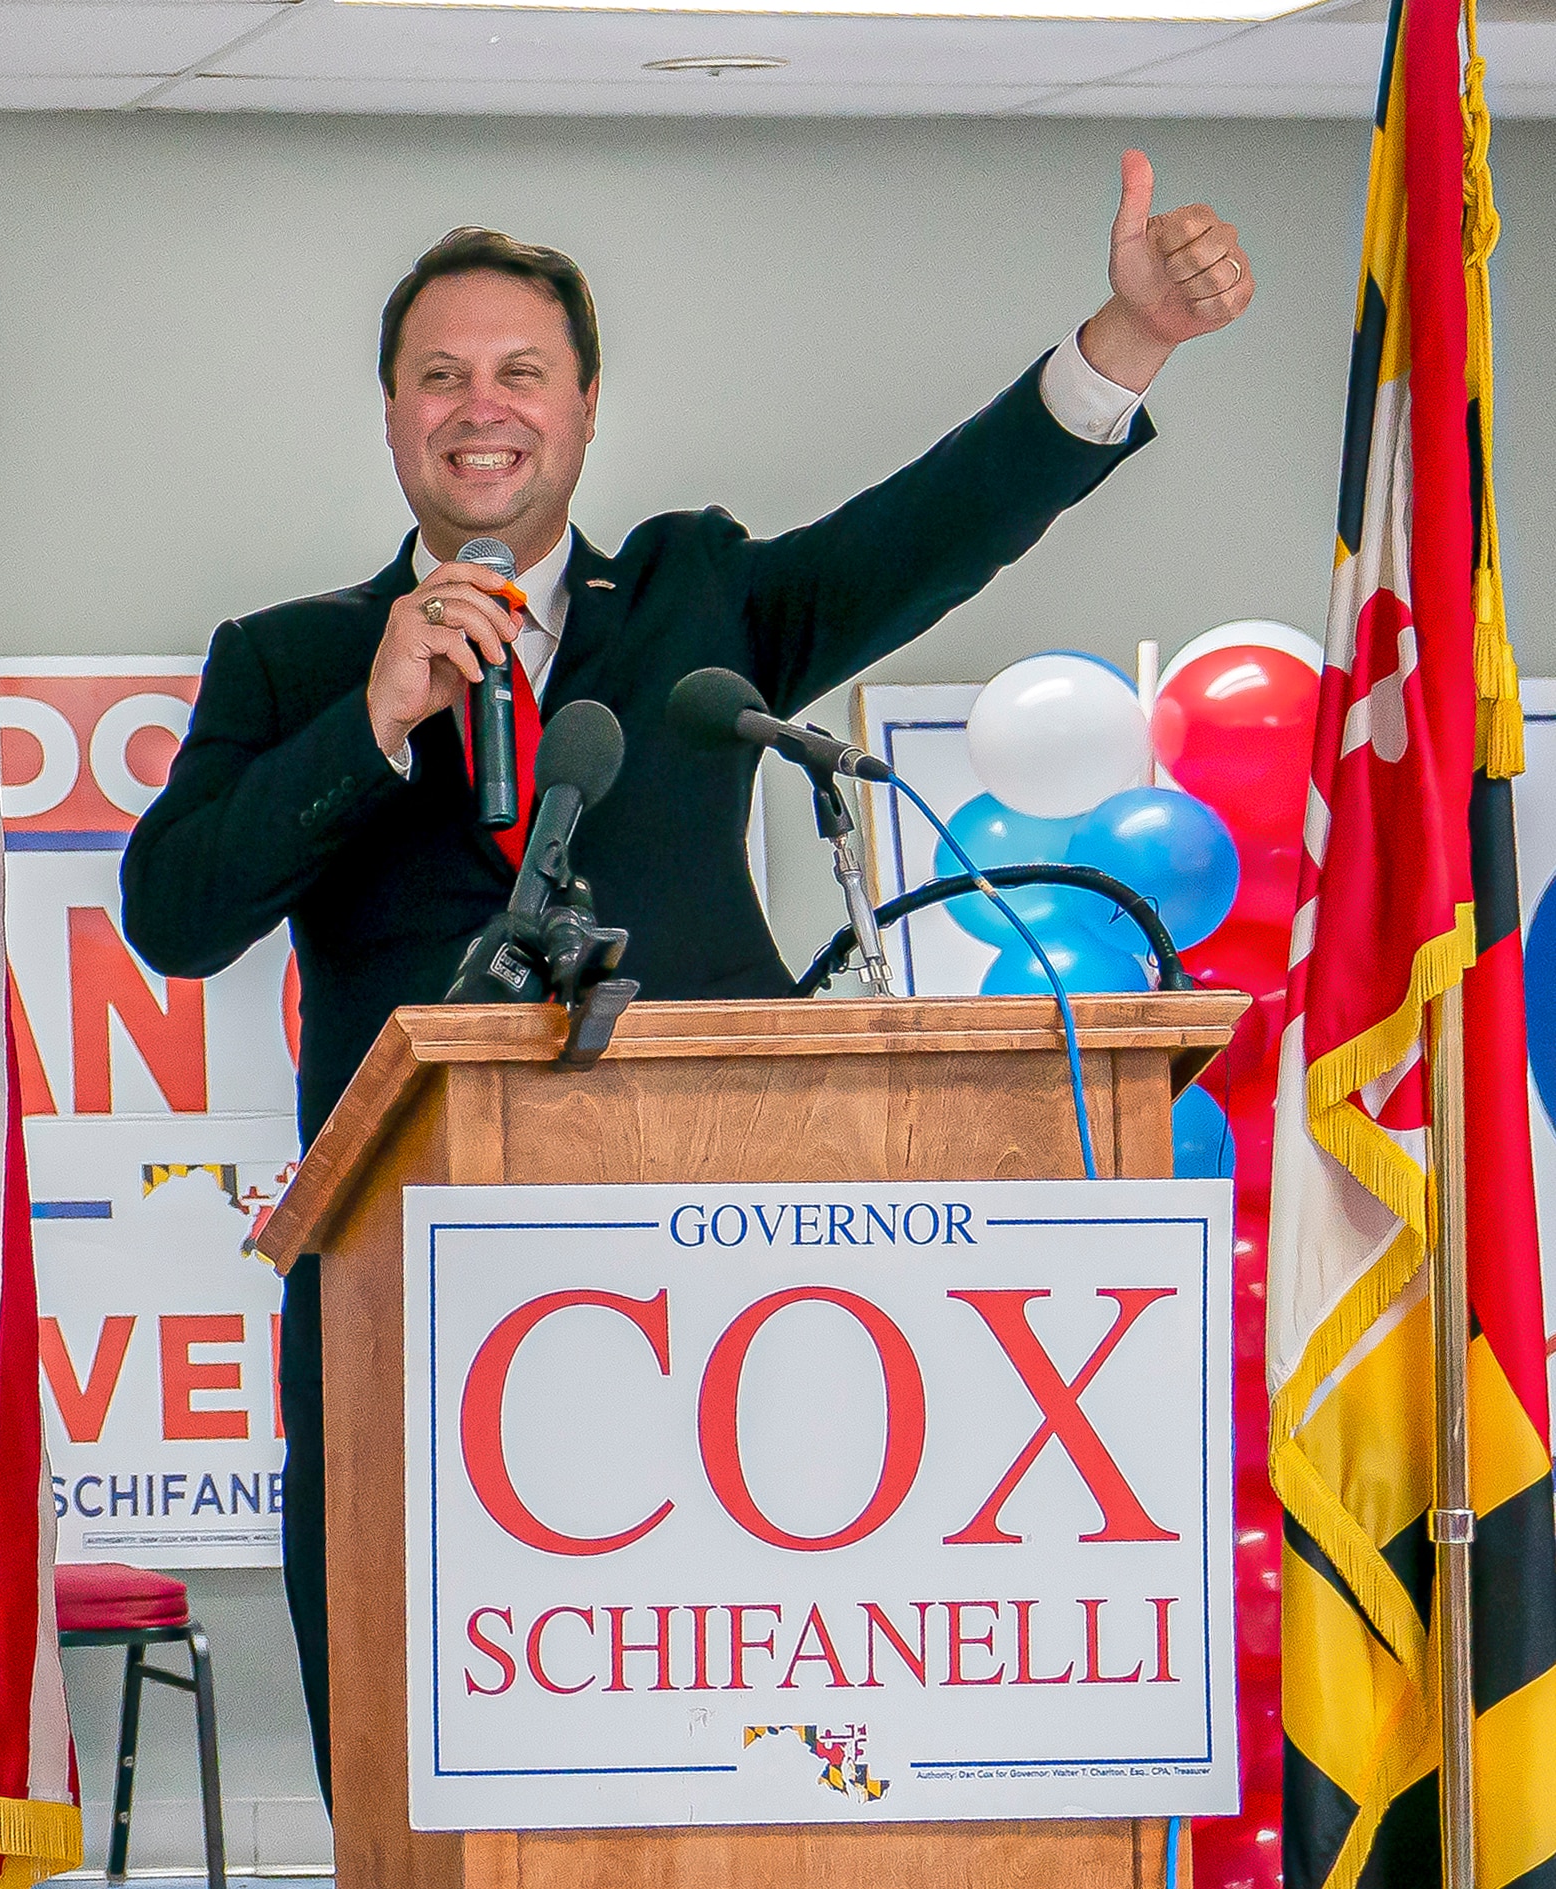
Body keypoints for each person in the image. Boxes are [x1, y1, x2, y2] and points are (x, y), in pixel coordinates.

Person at [118, 152, 1256, 1800]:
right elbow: (172, 913)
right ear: (388, 418)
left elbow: (929, 531)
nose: (478, 404)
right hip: (401, 1315)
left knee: (708, 1765)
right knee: (411, 1759)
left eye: (520, 371)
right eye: (438, 374)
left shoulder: (695, 597)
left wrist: (1123, 339)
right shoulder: (289, 659)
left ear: (582, 410)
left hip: (719, 1305)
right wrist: (369, 719)